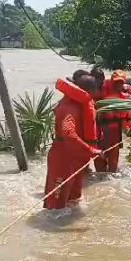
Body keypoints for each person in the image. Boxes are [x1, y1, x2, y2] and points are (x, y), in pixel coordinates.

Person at [43, 74, 102, 209]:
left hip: (76, 159)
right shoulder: (70, 106)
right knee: (56, 206)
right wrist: (91, 150)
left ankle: (69, 227)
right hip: (63, 159)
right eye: (95, 90)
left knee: (74, 200)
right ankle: (50, 229)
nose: (97, 93)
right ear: (88, 91)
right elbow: (68, 133)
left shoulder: (81, 104)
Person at [94, 69, 131, 173]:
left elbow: (127, 119)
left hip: (115, 134)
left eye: (121, 82)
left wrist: (130, 131)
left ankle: (111, 185)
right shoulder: (102, 90)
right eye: (116, 82)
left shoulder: (125, 97)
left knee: (113, 168)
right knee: (100, 166)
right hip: (101, 132)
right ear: (112, 81)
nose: (118, 85)